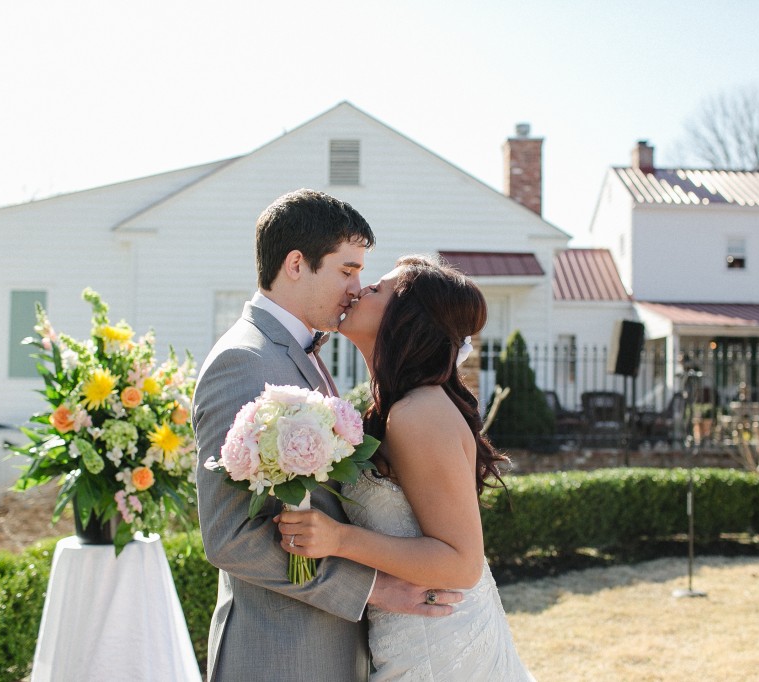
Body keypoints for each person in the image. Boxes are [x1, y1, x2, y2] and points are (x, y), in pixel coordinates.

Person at [193, 191, 461, 682]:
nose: (357, 287)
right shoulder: (244, 361)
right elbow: (229, 538)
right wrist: (373, 589)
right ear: (297, 264)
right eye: (347, 270)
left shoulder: (304, 352)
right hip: (281, 656)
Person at [276, 254, 536, 680]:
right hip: (411, 633)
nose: (359, 289)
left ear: (407, 318)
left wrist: (339, 539)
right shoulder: (394, 408)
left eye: (378, 289)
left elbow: (461, 564)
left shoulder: (419, 412)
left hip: (440, 647)